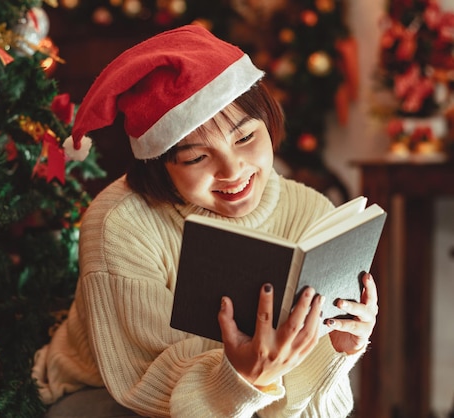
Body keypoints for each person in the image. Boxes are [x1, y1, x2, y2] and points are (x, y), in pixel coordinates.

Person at [32, 24, 378, 417]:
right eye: (197, 158)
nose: (233, 170)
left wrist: (336, 352)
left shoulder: (311, 212)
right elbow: (142, 384)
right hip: (107, 396)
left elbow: (317, 411)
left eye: (245, 138)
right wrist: (243, 378)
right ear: (160, 166)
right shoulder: (119, 223)